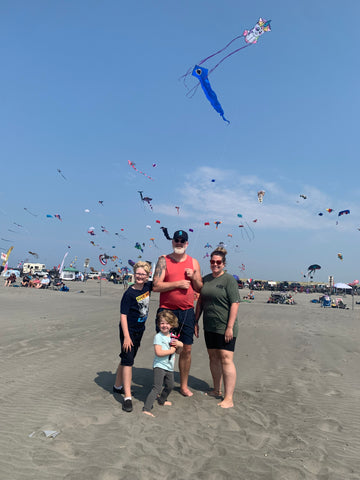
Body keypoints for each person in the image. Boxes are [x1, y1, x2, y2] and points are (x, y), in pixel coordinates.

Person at [153, 229, 202, 397]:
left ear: (186, 244)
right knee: (165, 347)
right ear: (172, 242)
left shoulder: (194, 262)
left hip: (187, 311)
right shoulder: (163, 261)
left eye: (183, 241)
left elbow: (199, 288)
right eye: (177, 240)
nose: (179, 243)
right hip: (167, 311)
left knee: (186, 350)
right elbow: (156, 286)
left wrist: (193, 277)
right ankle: (160, 384)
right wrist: (177, 284)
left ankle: (183, 385)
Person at [195, 247, 240, 408]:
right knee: (213, 357)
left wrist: (229, 327)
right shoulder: (206, 279)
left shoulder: (229, 280)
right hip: (209, 325)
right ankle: (216, 389)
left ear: (223, 263)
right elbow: (200, 302)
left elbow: (235, 303)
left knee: (226, 359)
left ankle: (229, 398)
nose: (215, 264)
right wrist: (195, 322)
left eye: (218, 262)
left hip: (225, 326)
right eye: (213, 262)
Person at [113, 261, 152, 413]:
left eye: (143, 274)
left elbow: (162, 279)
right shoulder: (129, 293)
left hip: (139, 330)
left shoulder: (148, 286)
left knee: (126, 357)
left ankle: (117, 386)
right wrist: (127, 337)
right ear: (134, 274)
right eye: (138, 273)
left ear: (147, 275)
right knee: (129, 361)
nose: (140, 276)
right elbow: (123, 316)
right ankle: (127, 397)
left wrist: (162, 260)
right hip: (127, 330)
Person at [143, 310, 183, 417]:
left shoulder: (172, 336)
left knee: (170, 386)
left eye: (167, 323)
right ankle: (146, 408)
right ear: (158, 324)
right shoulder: (158, 337)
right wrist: (171, 351)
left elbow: (178, 352)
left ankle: (162, 400)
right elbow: (158, 352)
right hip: (159, 366)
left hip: (169, 367)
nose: (164, 325)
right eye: (162, 323)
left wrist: (180, 345)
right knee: (157, 387)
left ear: (172, 325)